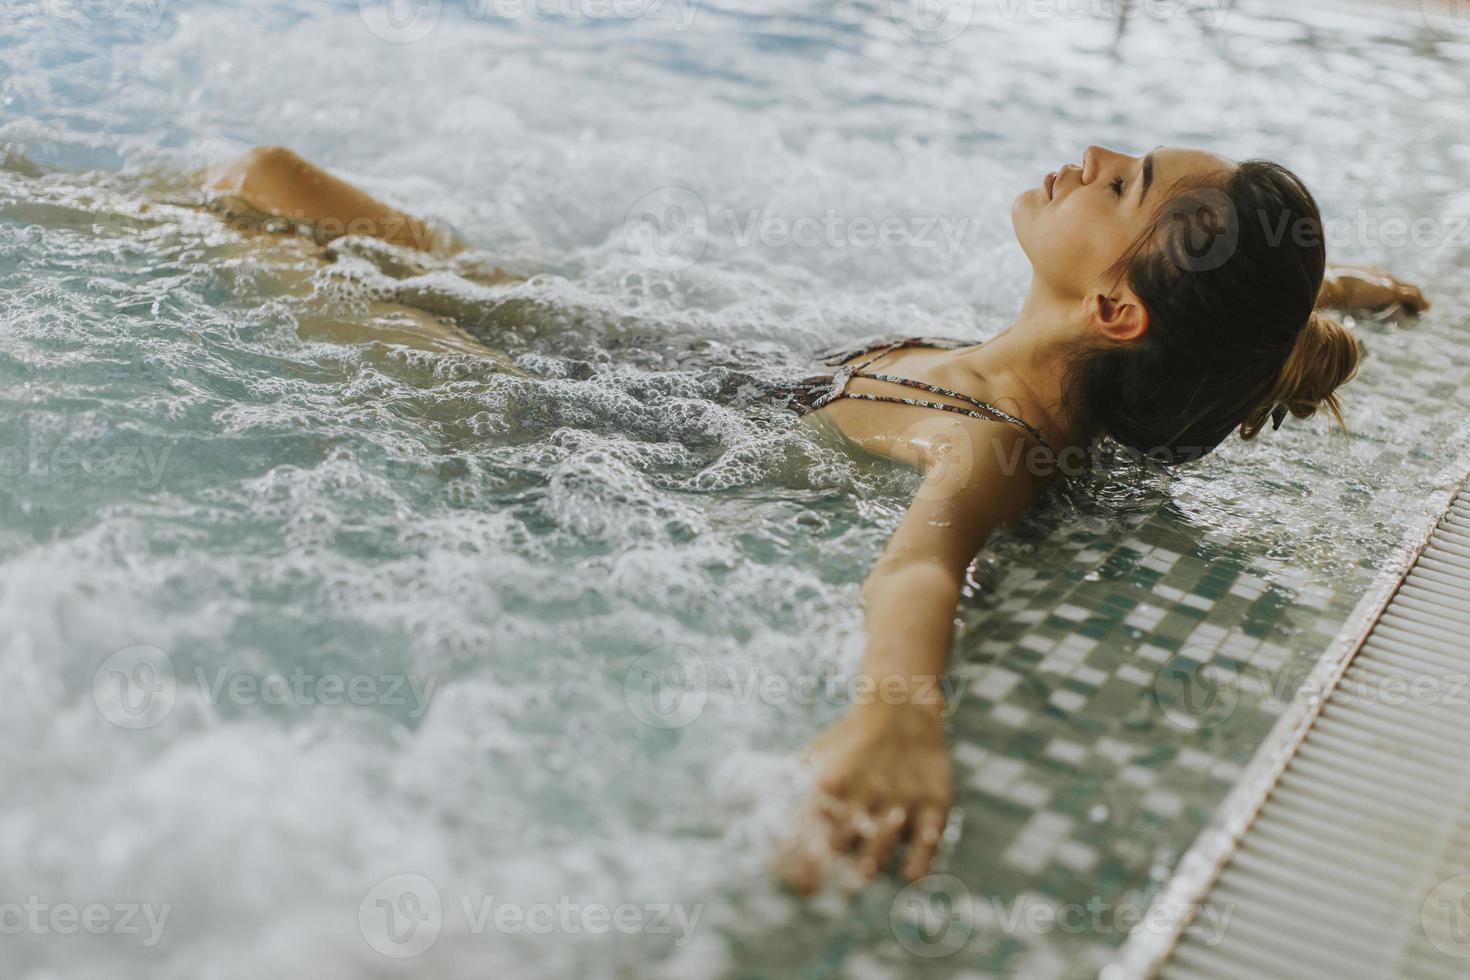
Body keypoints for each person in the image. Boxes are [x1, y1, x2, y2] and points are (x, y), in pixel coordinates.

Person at [206, 144, 1429, 892]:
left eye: (1124, 184)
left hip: (556, 426)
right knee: (273, 178)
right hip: (683, 362)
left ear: (1117, 308)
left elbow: (922, 565)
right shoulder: (1073, 350)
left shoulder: (995, 439)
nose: (1094, 154)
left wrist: (895, 716)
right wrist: (1320, 292)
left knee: (240, 218)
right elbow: (1205, 323)